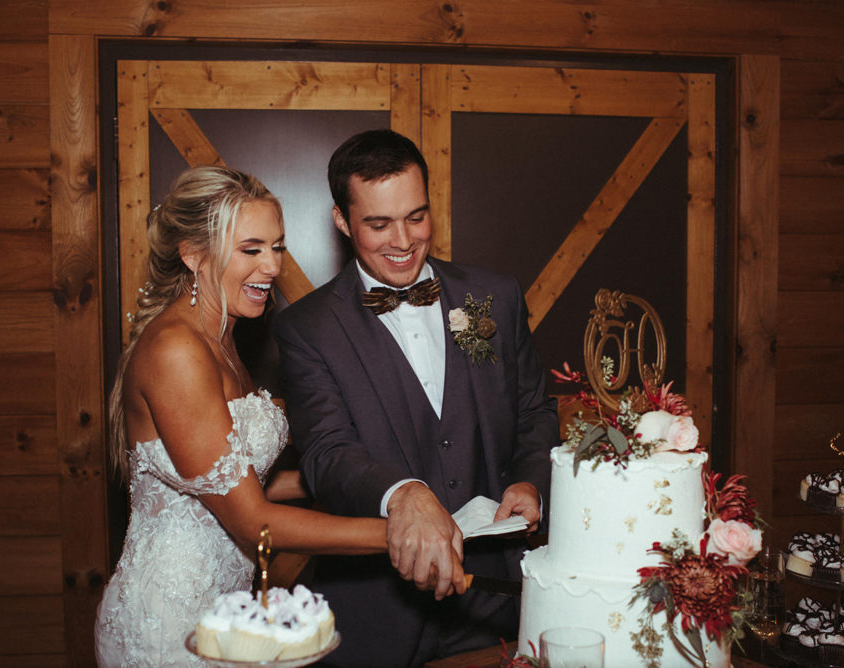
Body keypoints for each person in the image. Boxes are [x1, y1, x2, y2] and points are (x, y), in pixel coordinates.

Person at [94, 166, 399, 667]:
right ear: (194, 255)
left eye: (277, 247)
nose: (273, 266)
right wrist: (396, 534)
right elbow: (252, 520)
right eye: (251, 249)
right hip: (170, 620)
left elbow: (234, 485)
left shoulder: (221, 338)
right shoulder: (177, 351)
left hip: (226, 614)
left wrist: (371, 481)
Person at [274, 129, 558, 666]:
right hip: (375, 615)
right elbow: (327, 452)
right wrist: (403, 495)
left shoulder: (494, 297)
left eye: (416, 216)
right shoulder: (307, 329)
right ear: (342, 220)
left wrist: (530, 480)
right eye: (378, 224)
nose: (403, 241)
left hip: (496, 602)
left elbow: (536, 411)